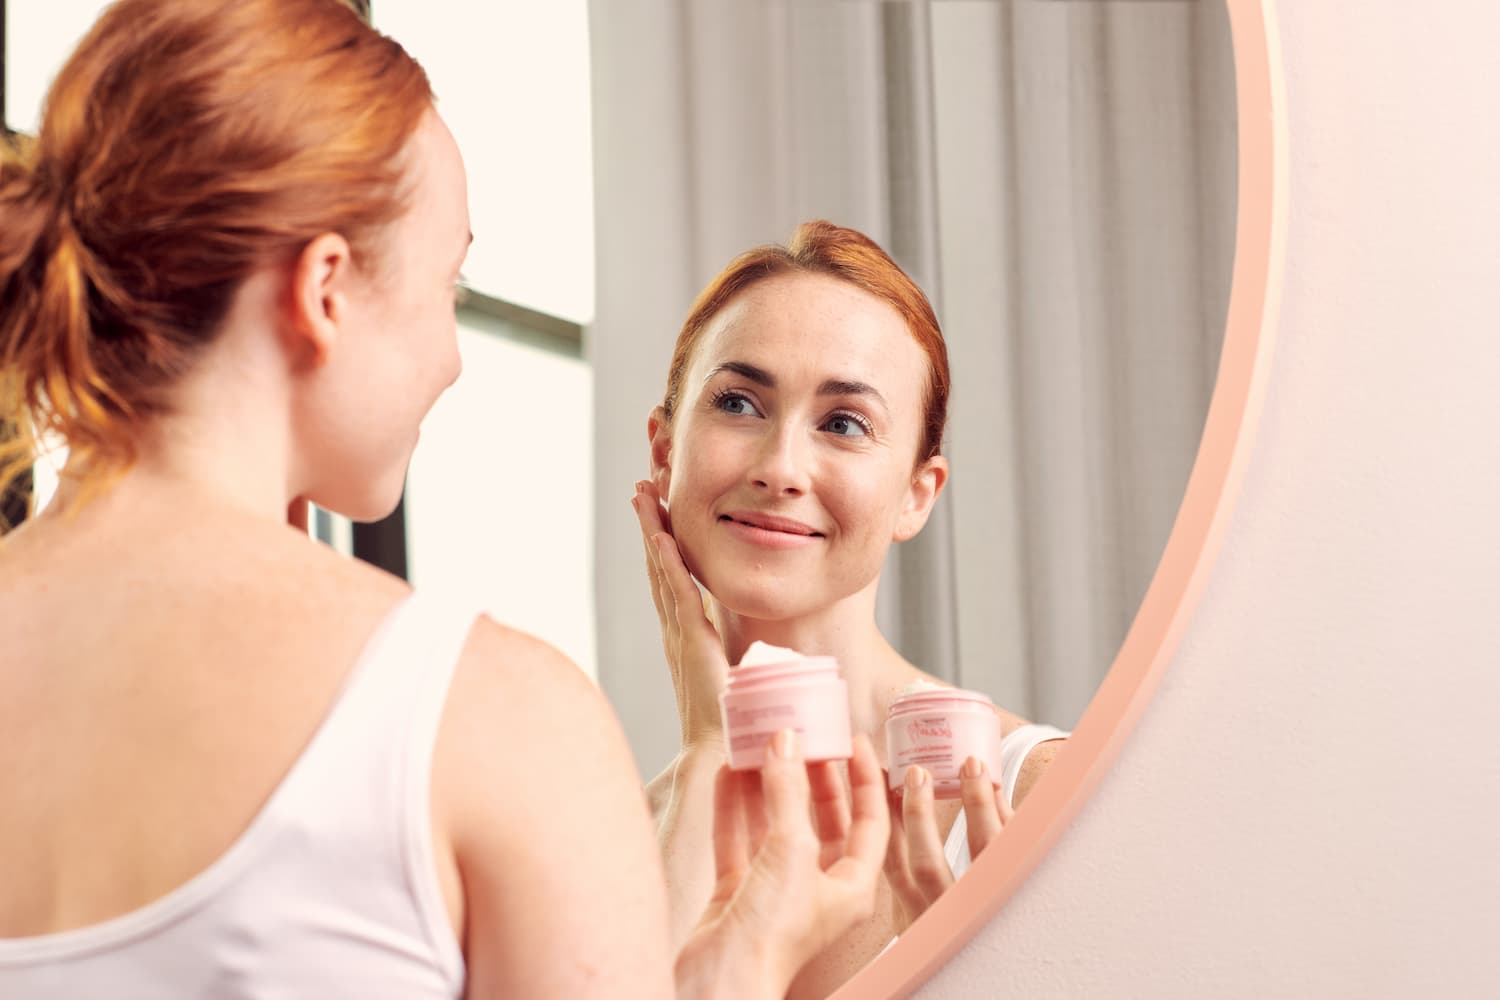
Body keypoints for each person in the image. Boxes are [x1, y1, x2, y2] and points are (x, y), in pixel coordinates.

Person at [0, 2, 888, 997]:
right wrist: (753, 960)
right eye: (448, 285)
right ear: (324, 290)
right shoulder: (490, 719)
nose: (452, 357)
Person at [632, 220, 1070, 997]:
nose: (781, 467)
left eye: (843, 424)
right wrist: (709, 749)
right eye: (738, 402)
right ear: (665, 452)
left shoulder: (1031, 790)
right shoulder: (627, 834)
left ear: (915, 494)